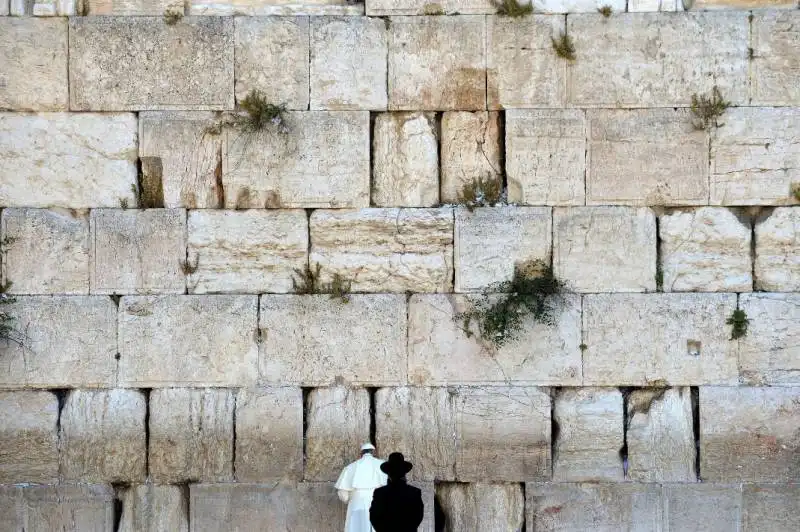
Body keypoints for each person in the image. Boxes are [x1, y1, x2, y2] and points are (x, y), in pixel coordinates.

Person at [335, 443, 388, 532]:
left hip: (357, 505)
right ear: (374, 453)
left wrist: (349, 499)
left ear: (360, 454)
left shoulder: (351, 467)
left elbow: (343, 494)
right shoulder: (383, 466)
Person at [369, 452, 425, 532]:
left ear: (388, 474)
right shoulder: (414, 492)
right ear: (404, 473)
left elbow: (374, 517)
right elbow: (418, 517)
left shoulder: (379, 493)